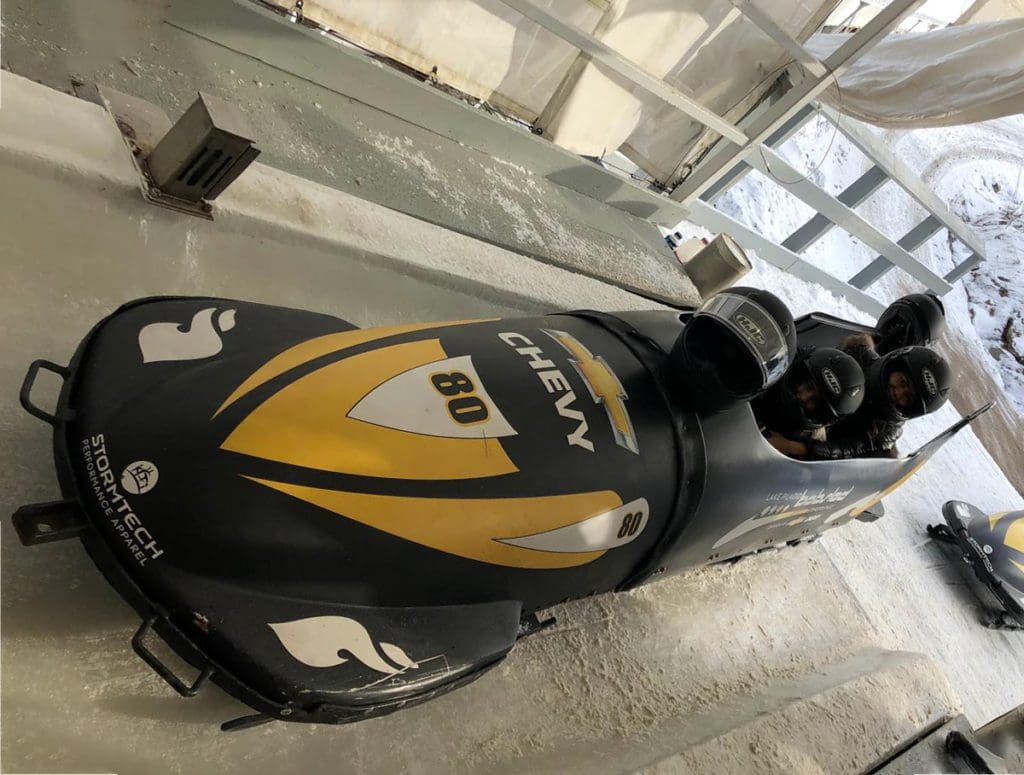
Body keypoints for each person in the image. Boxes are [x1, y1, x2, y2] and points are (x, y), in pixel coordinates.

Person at [798, 336, 953, 460]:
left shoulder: (886, 432)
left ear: (913, 408)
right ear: (896, 365)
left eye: (908, 397)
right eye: (902, 381)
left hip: (819, 442)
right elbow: (810, 360)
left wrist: (801, 448)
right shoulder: (859, 353)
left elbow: (845, 449)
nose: (898, 393)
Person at [755, 345, 865, 457]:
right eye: (808, 386)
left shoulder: (808, 442)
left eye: (816, 401)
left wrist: (792, 447)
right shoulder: (771, 369)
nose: (804, 397)